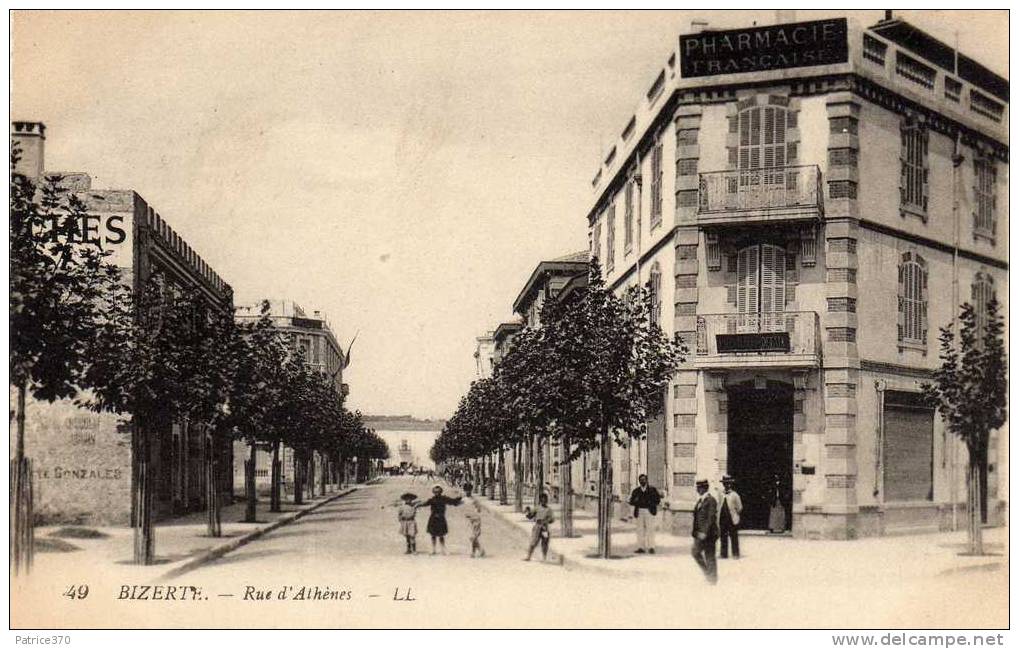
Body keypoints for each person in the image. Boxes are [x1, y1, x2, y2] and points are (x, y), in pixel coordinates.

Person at [416, 484, 463, 555]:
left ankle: (443, 549)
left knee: (441, 535)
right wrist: (417, 505)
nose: (437, 493)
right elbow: (425, 503)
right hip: (433, 518)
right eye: (435, 492)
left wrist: (459, 498)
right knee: (433, 535)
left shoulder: (444, 498)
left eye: (438, 492)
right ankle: (433, 549)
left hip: (441, 518)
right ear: (433, 492)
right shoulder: (432, 499)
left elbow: (452, 501)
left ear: (441, 492)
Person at [690, 478, 718, 584]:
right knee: (695, 552)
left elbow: (711, 518)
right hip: (699, 533)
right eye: (698, 488)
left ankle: (712, 579)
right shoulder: (700, 501)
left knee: (709, 556)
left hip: (709, 534)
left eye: (700, 488)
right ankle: (708, 574)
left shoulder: (711, 500)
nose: (698, 490)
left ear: (705, 488)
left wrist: (705, 532)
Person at [628, 473, 663, 554]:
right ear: (639, 481)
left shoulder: (652, 490)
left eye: (644, 480)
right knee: (640, 530)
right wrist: (636, 502)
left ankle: (651, 547)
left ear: (646, 480)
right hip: (639, 511)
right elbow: (631, 501)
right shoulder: (636, 491)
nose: (642, 481)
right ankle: (641, 547)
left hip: (649, 511)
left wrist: (651, 503)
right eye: (641, 480)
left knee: (650, 529)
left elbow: (657, 500)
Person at [718, 474, 743, 559]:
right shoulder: (720, 494)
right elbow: (719, 504)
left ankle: (735, 553)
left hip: (732, 518)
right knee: (723, 536)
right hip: (722, 518)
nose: (727, 485)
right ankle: (723, 554)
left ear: (731, 484)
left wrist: (735, 514)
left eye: (728, 483)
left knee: (734, 536)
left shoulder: (735, 495)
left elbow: (739, 507)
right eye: (725, 483)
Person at [524, 492, 554, 562]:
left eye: (545, 500)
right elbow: (530, 516)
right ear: (540, 500)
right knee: (533, 542)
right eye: (542, 500)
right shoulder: (537, 508)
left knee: (545, 543)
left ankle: (544, 558)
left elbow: (552, 519)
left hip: (545, 528)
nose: (544, 501)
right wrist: (527, 512)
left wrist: (547, 520)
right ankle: (528, 556)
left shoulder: (549, 510)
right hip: (537, 527)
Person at [463, 483, 485, 558]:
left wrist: (475, 511)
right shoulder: (464, 499)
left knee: (473, 536)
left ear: (471, 490)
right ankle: (480, 550)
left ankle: (473, 552)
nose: (467, 492)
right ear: (464, 491)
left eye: (469, 490)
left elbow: (479, 509)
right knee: (471, 537)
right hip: (468, 520)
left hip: (475, 519)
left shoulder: (474, 500)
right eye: (466, 491)